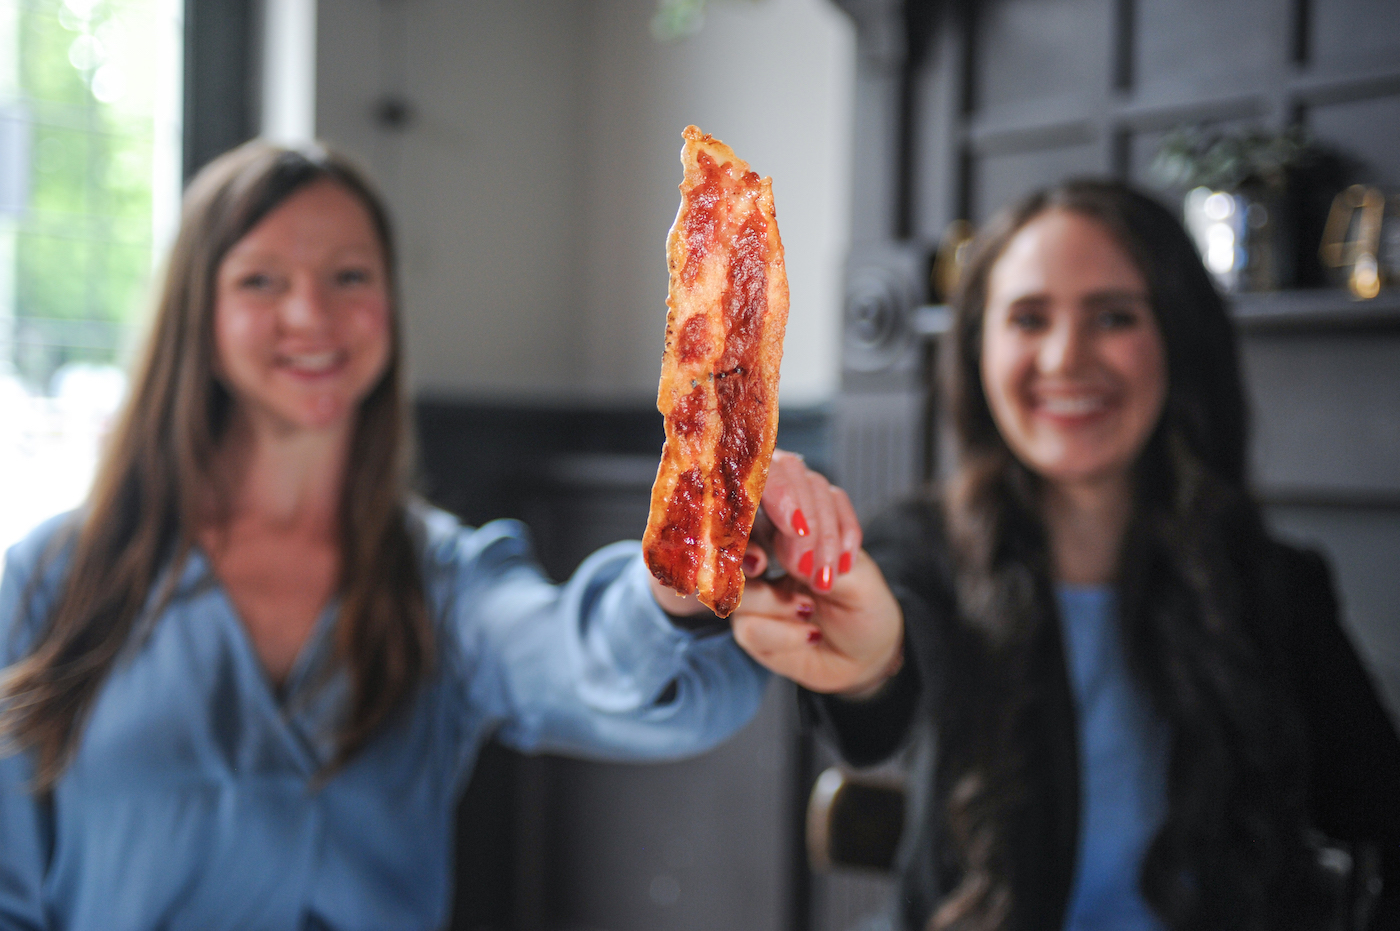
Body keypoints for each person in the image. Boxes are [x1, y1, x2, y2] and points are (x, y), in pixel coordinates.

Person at [0, 140, 859, 930]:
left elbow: (577, 659)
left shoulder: (442, 580)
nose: (312, 313)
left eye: (350, 276)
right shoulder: (50, 582)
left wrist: (675, 579)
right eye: (261, 280)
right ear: (199, 313)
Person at [738, 180, 1400, 931]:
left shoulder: (1278, 585)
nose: (1065, 357)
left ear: (1179, 340)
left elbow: (1379, 811)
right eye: (1028, 318)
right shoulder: (918, 550)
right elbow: (881, 688)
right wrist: (868, 660)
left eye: (1114, 316)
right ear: (978, 349)